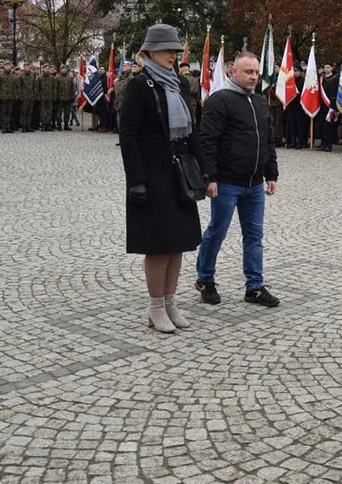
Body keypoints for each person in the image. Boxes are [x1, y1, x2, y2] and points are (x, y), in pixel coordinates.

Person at [120, 24, 203, 334]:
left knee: (177, 242)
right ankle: (155, 307)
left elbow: (192, 129)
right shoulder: (139, 86)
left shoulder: (180, 85)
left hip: (179, 173)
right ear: (149, 52)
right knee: (157, 245)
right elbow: (128, 136)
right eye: (167, 50)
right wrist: (137, 180)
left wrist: (204, 171)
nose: (173, 55)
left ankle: (169, 302)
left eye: (175, 50)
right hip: (152, 175)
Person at [194, 51, 280, 308]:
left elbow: (268, 140)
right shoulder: (220, 100)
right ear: (234, 71)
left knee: (254, 235)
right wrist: (210, 177)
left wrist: (271, 173)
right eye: (248, 72)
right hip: (227, 183)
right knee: (217, 232)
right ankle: (205, 279)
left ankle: (254, 287)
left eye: (256, 72)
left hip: (254, 183)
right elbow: (207, 141)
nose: (253, 77)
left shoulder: (261, 102)